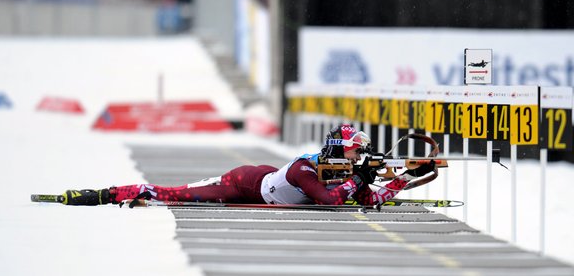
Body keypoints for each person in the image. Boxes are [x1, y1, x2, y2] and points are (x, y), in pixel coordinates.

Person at [61, 124, 435, 207]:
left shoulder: (342, 171)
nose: (361, 159)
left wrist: (405, 177)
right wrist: (359, 180)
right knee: (172, 194)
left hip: (267, 179)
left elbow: (370, 201)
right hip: (244, 183)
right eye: (357, 153)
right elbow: (330, 200)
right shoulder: (304, 170)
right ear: (341, 150)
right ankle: (104, 194)